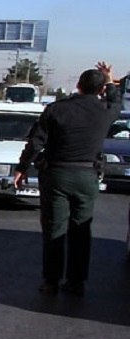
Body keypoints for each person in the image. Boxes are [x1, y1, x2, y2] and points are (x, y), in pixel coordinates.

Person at [13, 62, 125, 295]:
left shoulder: (57, 109)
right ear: (101, 90)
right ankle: (76, 282)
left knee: (54, 228)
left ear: (78, 86)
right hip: (87, 176)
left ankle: (51, 281)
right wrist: (109, 80)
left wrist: (22, 168)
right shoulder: (105, 111)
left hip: (57, 175)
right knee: (81, 230)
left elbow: (36, 143)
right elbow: (117, 101)